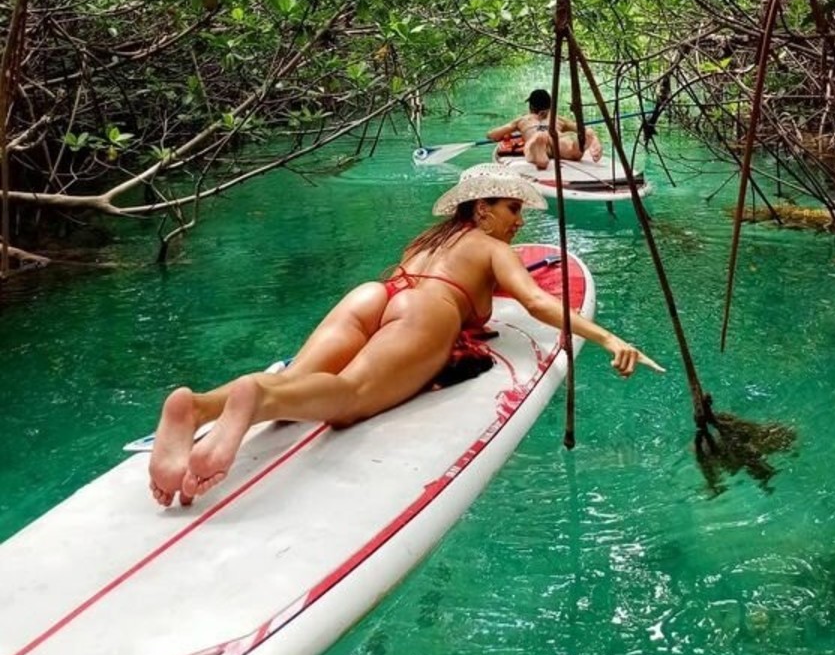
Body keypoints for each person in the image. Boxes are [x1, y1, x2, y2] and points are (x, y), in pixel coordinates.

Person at [148, 163, 661, 507]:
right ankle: (256, 393)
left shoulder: (429, 241)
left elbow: (465, 285)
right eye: (512, 209)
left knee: (299, 380)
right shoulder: (490, 247)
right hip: (428, 311)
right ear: (481, 209)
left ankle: (199, 407)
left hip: (378, 294)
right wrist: (609, 339)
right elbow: (536, 302)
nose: (519, 221)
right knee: (348, 399)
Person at [487, 88, 603, 169]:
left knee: (534, 142)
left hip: (535, 136)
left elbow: (492, 135)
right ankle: (577, 147)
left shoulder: (523, 120)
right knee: (569, 143)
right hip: (556, 140)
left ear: (531, 106)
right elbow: (581, 128)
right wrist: (593, 136)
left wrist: (504, 135)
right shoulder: (557, 119)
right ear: (550, 106)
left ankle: (539, 151)